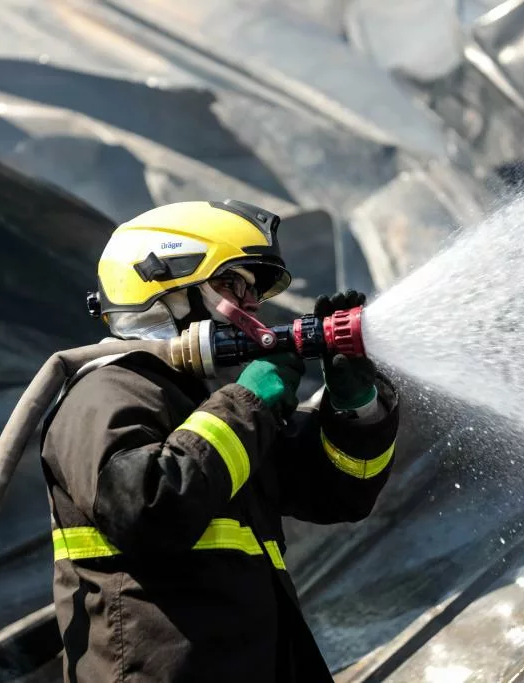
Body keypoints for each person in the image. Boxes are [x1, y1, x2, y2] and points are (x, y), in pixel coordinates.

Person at [40, 199, 400, 682]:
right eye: (232, 284)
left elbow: (340, 492)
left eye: (253, 291)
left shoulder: (200, 406)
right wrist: (248, 403)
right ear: (164, 284)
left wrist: (356, 406)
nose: (252, 305)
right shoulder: (104, 391)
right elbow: (147, 510)